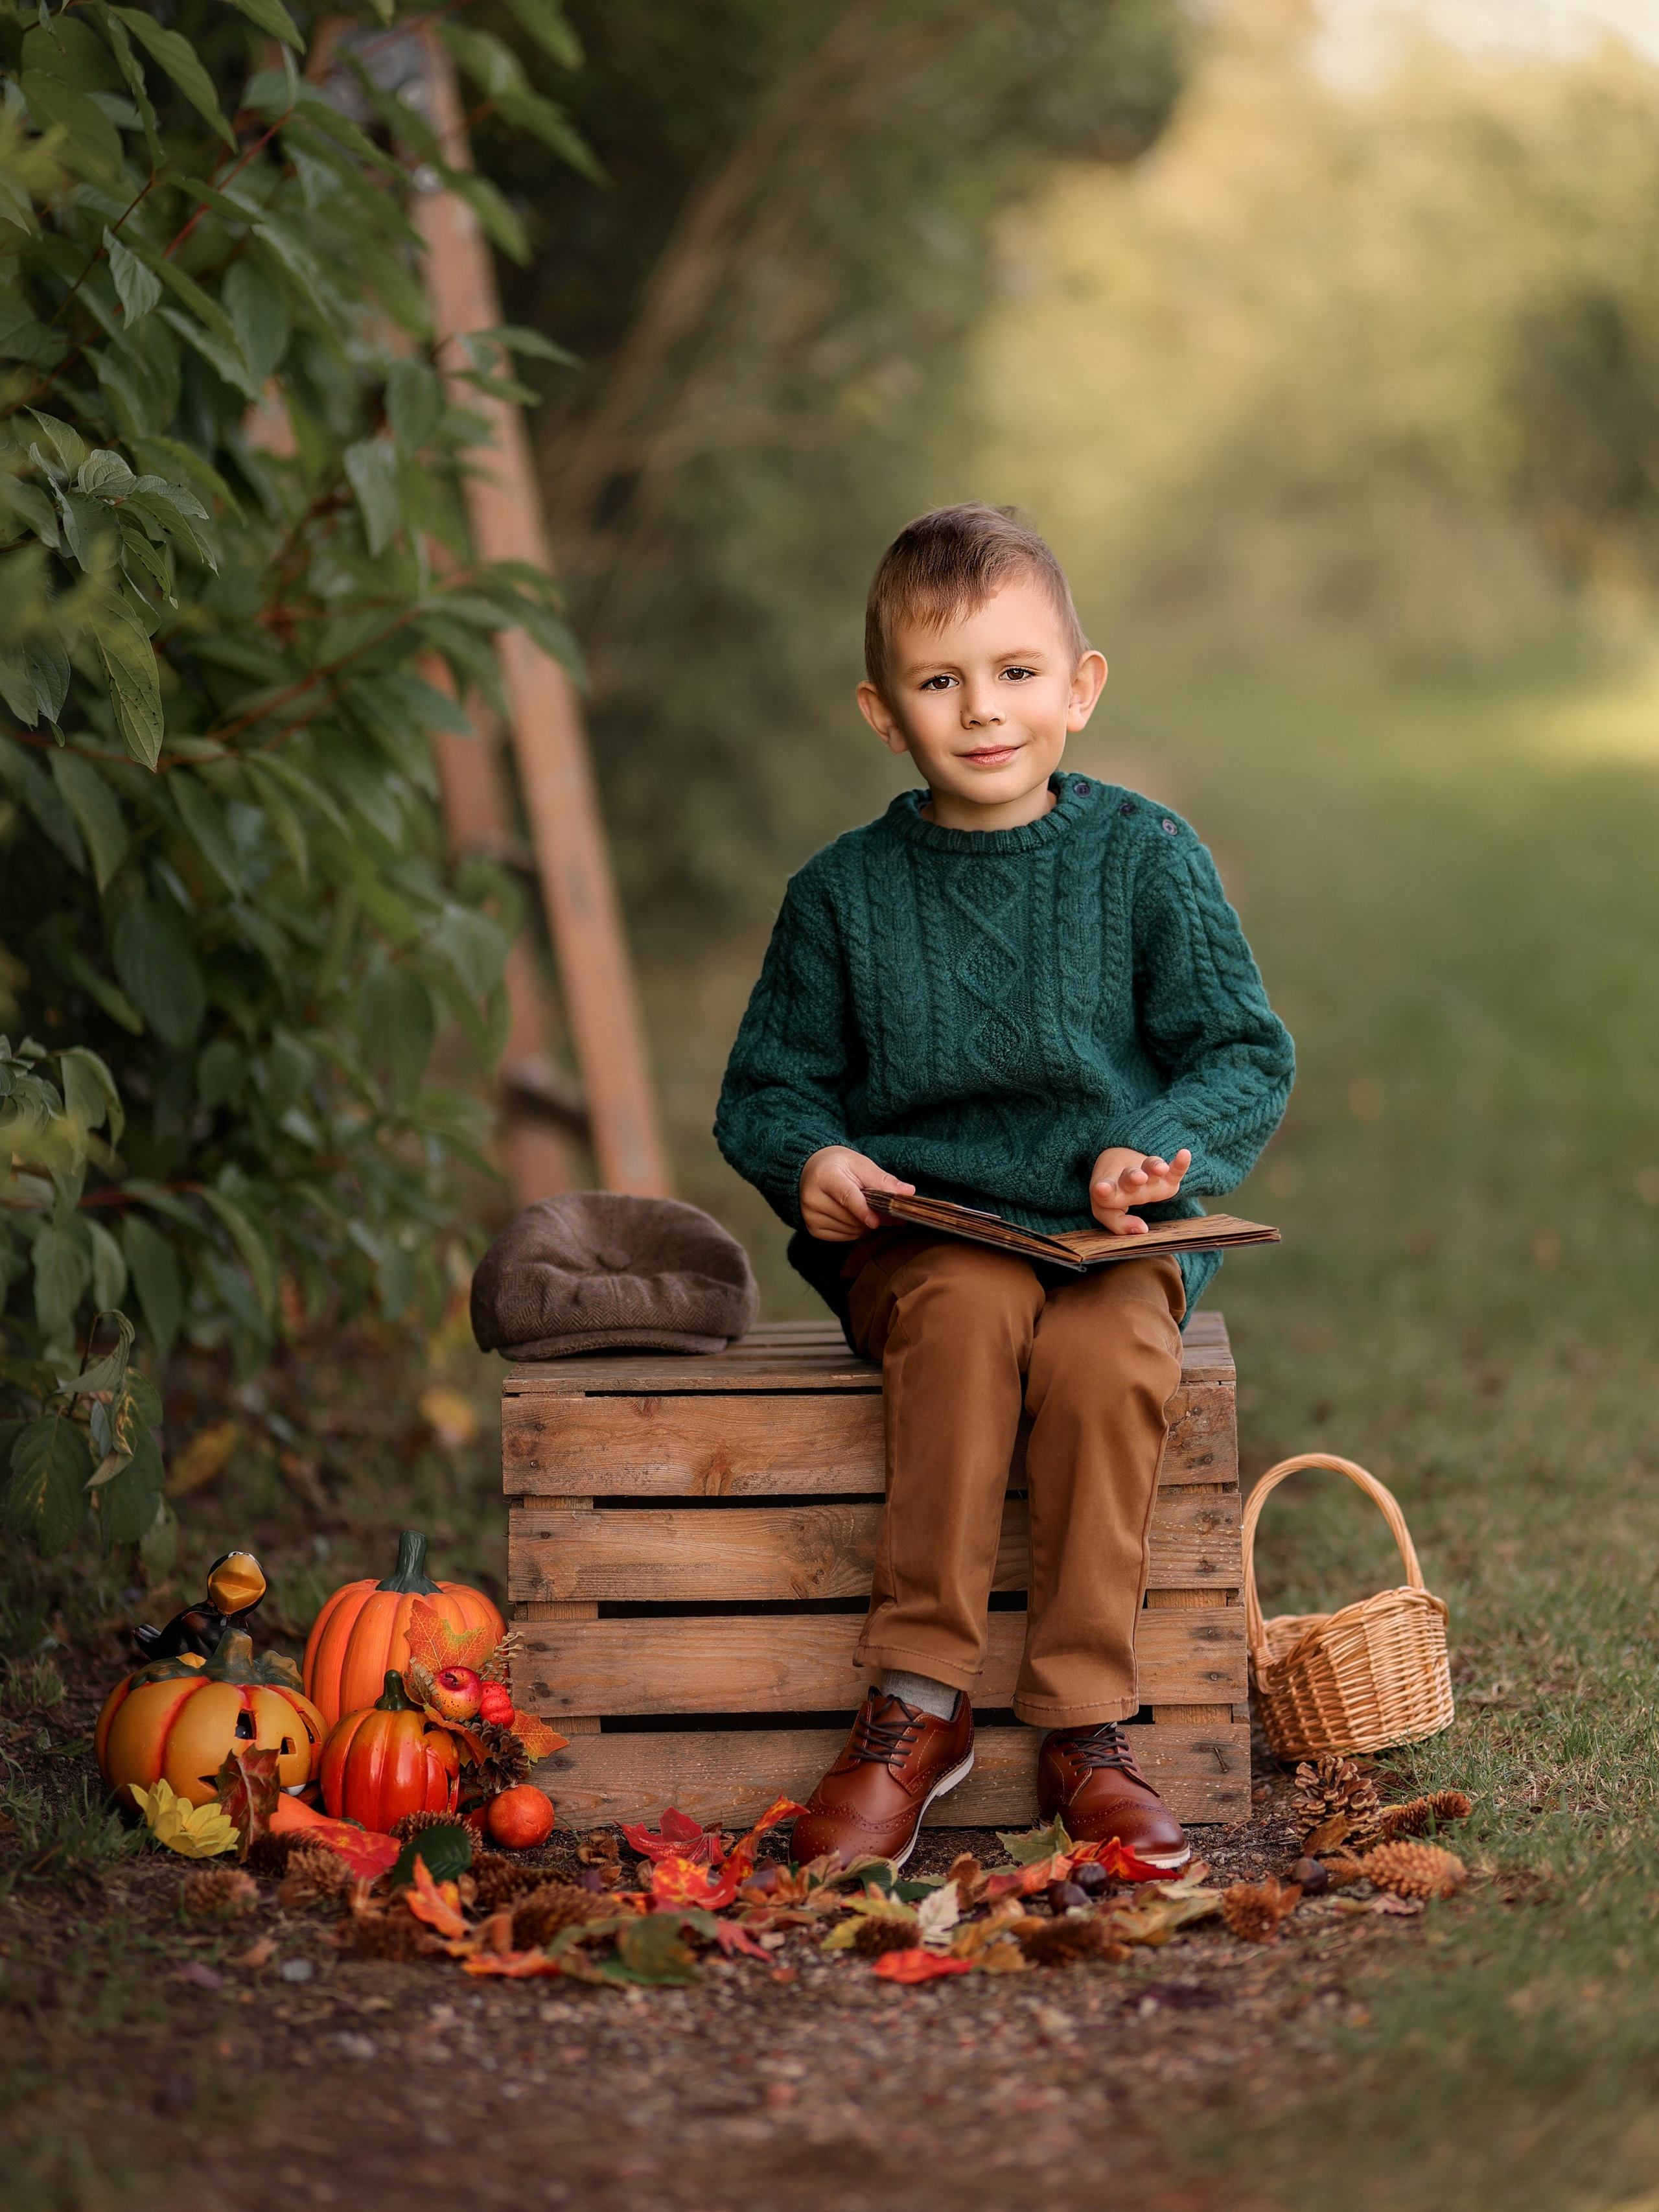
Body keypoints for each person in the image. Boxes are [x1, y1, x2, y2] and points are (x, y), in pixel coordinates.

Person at [715, 504, 1294, 1869]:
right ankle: (918, 1705)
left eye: (1016, 672)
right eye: (939, 680)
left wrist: (1157, 1150)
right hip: (928, 1238)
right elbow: (768, 1089)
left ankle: (1086, 1724)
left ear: (1079, 688)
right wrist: (815, 1161)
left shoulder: (1144, 857)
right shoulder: (842, 895)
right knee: (973, 1310)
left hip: (1104, 1237)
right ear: (883, 711)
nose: (982, 710)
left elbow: (1239, 1051)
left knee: (1104, 1356)